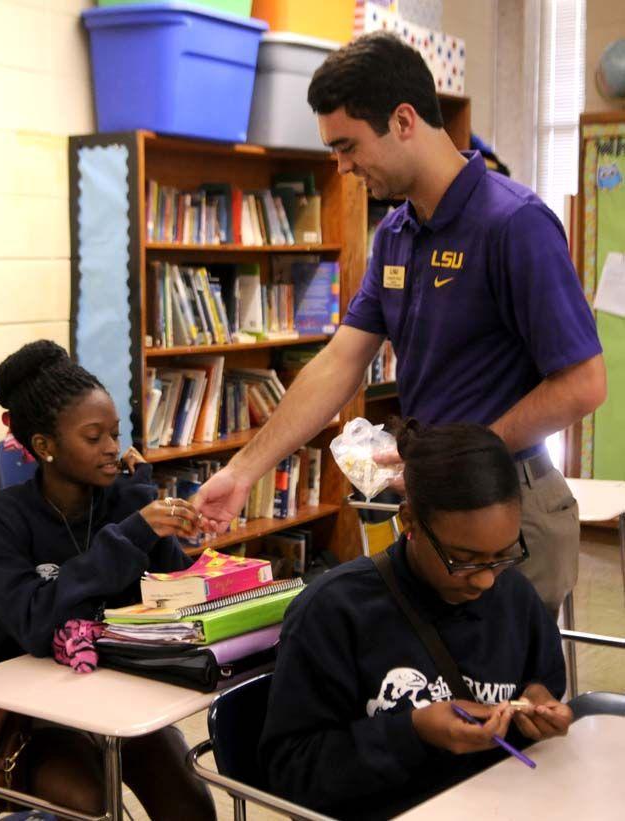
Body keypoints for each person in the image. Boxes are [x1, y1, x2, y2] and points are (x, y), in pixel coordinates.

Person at [194, 31, 606, 617]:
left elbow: (584, 385)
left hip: (508, 504)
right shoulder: (395, 234)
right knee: (423, 694)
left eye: (347, 145)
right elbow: (338, 363)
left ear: (405, 119)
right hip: (432, 505)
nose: (340, 165)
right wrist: (241, 472)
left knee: (497, 703)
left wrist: (461, 457)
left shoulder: (515, 224)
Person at [259, 420, 572, 820]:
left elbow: (542, 682)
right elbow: (290, 774)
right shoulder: (335, 612)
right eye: (462, 559)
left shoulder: (513, 595)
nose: (486, 578)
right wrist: (412, 732)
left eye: (504, 554)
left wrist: (540, 705)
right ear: (409, 523)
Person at [0, 340, 215, 821]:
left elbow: (174, 597)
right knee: (91, 806)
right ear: (45, 446)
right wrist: (131, 533)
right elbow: (35, 623)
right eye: (93, 437)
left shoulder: (124, 502)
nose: (110, 449)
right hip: (30, 714)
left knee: (190, 803)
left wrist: (145, 504)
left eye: (115, 434)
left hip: (117, 693)